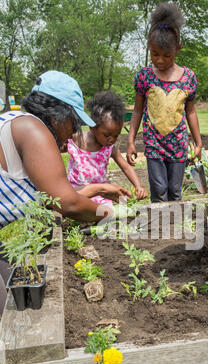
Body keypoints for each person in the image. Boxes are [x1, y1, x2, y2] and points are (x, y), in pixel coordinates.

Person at [0, 70, 131, 311]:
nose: (73, 132)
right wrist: (112, 214)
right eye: (73, 123)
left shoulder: (17, 121)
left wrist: (98, 188)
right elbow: (68, 203)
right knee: (10, 311)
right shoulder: (33, 130)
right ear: (57, 116)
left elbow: (53, 196)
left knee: (19, 292)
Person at [126, 2, 202, 203]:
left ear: (178, 49)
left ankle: (175, 230)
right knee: (159, 190)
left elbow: (191, 112)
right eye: (155, 54)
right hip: (154, 144)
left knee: (175, 190)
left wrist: (198, 142)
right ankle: (158, 230)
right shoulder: (145, 76)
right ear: (149, 49)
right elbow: (137, 111)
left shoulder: (188, 78)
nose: (160, 60)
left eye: (166, 56)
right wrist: (131, 141)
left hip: (178, 144)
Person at [67, 90, 148, 215]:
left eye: (116, 135)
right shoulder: (76, 139)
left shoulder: (110, 148)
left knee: (108, 216)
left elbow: (126, 167)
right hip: (77, 192)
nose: (112, 139)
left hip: (101, 194)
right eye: (107, 135)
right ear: (92, 127)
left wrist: (139, 186)